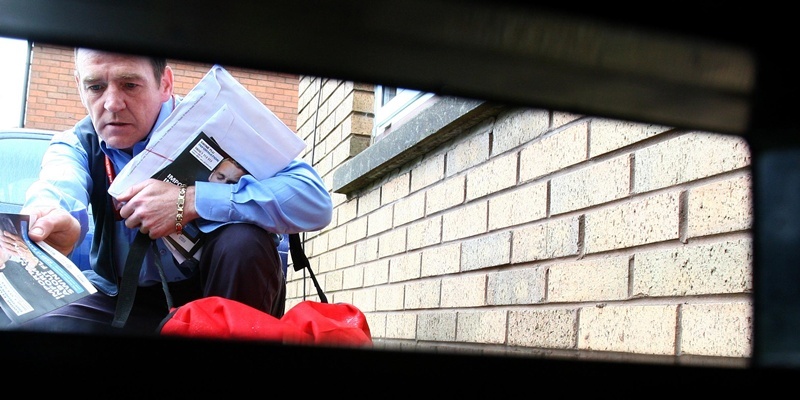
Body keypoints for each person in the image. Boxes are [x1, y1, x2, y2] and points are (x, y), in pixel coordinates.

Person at [15, 48, 332, 335]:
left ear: (164, 84)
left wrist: (191, 201)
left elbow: (314, 200)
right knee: (40, 325)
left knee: (243, 242)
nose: (111, 103)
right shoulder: (76, 144)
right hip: (124, 300)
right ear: (79, 85)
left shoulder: (221, 125)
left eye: (130, 85)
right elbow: (56, 186)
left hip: (220, 295)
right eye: (95, 87)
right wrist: (54, 218)